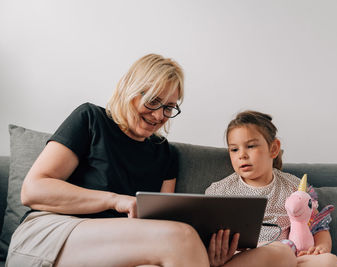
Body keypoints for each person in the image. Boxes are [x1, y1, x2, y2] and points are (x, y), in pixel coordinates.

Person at [6, 54, 210, 267]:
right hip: (51, 233)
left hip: (117, 248)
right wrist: (115, 200)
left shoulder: (165, 154)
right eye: (152, 101)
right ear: (129, 89)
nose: (159, 116)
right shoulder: (91, 119)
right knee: (182, 238)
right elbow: (33, 190)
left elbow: (161, 222)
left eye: (168, 107)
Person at [205, 110, 337, 267]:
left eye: (250, 146)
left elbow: (318, 225)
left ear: (274, 148)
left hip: (291, 258)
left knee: (329, 261)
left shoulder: (293, 186)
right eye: (234, 149)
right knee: (281, 251)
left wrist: (321, 247)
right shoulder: (220, 191)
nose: (241, 155)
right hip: (245, 258)